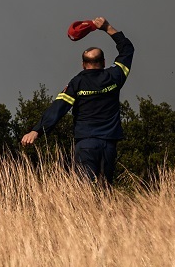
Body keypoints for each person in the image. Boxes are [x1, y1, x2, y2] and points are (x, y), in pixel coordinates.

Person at [21, 17, 134, 185]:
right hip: (109, 144)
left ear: (83, 64)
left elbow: (59, 108)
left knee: (86, 189)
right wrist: (107, 27)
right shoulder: (115, 76)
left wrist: (37, 130)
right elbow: (127, 50)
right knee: (104, 189)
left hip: (86, 143)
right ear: (103, 62)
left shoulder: (77, 83)